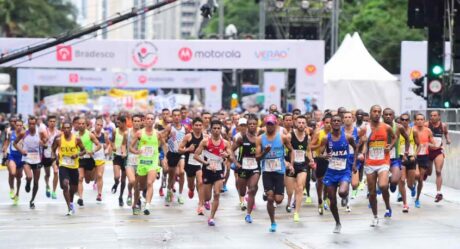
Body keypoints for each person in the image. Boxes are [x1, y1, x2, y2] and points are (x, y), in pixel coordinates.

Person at [256, 114, 294, 232]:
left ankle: (272, 194)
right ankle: (273, 222)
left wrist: (291, 164)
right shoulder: (260, 139)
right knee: (270, 197)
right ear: (265, 125)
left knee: (278, 199)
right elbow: (257, 158)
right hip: (267, 172)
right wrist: (264, 152)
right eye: (268, 124)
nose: (270, 126)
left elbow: (292, 151)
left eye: (272, 124)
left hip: (279, 171)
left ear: (276, 124)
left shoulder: (282, 137)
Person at [320, 115, 357, 233]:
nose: (336, 122)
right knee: (332, 200)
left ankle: (345, 194)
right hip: (331, 172)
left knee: (341, 192)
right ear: (330, 123)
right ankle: (337, 222)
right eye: (334, 121)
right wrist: (324, 156)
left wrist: (354, 164)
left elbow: (356, 149)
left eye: (338, 121)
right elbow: (320, 153)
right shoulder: (326, 138)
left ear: (341, 123)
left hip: (344, 171)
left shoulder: (347, 137)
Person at [194, 119, 234, 226]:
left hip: (219, 171)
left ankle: (211, 217)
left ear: (221, 130)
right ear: (211, 129)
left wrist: (227, 156)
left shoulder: (225, 143)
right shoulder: (205, 142)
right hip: (207, 171)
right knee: (208, 197)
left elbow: (231, 157)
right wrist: (206, 163)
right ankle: (205, 201)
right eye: (214, 128)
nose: (216, 130)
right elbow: (196, 155)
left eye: (218, 128)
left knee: (216, 194)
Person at [362, 105, 396, 226]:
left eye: (379, 112)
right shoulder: (365, 128)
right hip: (370, 163)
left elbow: (394, 137)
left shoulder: (386, 127)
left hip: (383, 162)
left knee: (382, 185)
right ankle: (375, 216)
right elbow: (359, 144)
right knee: (372, 193)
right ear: (370, 113)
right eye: (374, 111)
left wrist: (390, 146)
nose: (377, 113)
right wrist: (362, 144)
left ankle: (387, 206)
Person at [129, 113, 167, 215]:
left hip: (153, 162)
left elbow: (164, 145)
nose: (150, 120)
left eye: (151, 119)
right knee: (140, 186)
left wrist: (164, 158)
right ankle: (136, 202)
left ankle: (147, 206)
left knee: (150, 183)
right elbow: (131, 147)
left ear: (154, 121)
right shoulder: (139, 133)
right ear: (144, 121)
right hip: (142, 163)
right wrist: (136, 152)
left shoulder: (158, 134)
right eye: (148, 119)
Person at [52, 121, 86, 215]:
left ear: (71, 129)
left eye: (68, 128)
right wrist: (56, 158)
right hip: (63, 165)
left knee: (73, 189)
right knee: (65, 184)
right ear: (62, 129)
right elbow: (53, 149)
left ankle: (71, 202)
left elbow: (84, 150)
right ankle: (69, 207)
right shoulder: (58, 139)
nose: (66, 130)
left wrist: (77, 154)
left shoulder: (77, 139)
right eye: (64, 128)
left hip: (74, 166)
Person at [285, 115, 314, 222]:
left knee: (300, 187)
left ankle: (296, 212)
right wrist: (286, 162)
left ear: (306, 124)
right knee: (289, 191)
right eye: (299, 122)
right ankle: (289, 201)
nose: (301, 125)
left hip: (302, 165)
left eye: (303, 123)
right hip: (291, 165)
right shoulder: (289, 136)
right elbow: (284, 150)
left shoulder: (308, 137)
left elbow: (308, 150)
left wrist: (311, 160)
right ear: (295, 123)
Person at [232, 114, 260, 223]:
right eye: (250, 124)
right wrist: (235, 163)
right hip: (243, 167)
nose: (252, 126)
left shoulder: (259, 138)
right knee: (242, 191)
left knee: (252, 189)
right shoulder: (241, 139)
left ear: (257, 125)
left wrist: (265, 152)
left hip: (255, 168)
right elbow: (230, 150)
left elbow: (261, 154)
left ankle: (248, 214)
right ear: (247, 126)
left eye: (254, 124)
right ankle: (243, 197)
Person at [14, 116, 46, 209]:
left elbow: (46, 143)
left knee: (36, 183)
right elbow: (15, 144)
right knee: (29, 176)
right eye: (30, 124)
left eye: (33, 124)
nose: (32, 125)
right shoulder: (24, 133)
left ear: (36, 124)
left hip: (37, 159)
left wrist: (43, 144)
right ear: (27, 124)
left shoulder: (40, 133)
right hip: (26, 159)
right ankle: (28, 182)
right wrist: (21, 151)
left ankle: (32, 200)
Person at [179, 117, 205, 215]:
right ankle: (191, 188)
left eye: (200, 125)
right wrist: (188, 149)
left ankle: (200, 205)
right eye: (196, 125)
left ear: (202, 126)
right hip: (189, 164)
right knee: (191, 184)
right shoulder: (188, 137)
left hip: (200, 163)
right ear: (192, 126)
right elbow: (179, 149)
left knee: (201, 182)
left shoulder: (205, 137)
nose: (198, 127)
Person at [163, 109, 187, 205]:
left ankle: (180, 195)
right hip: (172, 153)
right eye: (175, 115)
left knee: (181, 172)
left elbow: (188, 138)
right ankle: (169, 191)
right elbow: (163, 138)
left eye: (178, 115)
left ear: (181, 117)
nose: (176, 117)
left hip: (181, 153)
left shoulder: (185, 127)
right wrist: (167, 143)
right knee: (171, 175)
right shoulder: (169, 127)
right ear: (172, 117)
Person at [426, 110, 451, 202]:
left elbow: (446, 133)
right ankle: (425, 174)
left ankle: (439, 193)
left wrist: (448, 140)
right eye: (431, 115)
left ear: (439, 117)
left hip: (438, 151)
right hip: (428, 151)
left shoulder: (443, 125)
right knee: (428, 172)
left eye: (434, 115)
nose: (432, 117)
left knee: (438, 171)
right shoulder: (426, 125)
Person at [76, 117, 101, 207]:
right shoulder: (75, 136)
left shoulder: (90, 135)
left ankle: (93, 180)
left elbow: (99, 145)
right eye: (80, 124)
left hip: (89, 159)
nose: (81, 125)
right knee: (80, 178)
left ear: (86, 125)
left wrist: (93, 151)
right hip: (80, 159)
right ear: (77, 125)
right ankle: (80, 198)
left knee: (88, 180)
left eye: (83, 124)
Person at [414, 113, 438, 208]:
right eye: (418, 119)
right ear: (415, 121)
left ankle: (417, 199)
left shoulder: (428, 130)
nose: (420, 121)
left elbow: (434, 144)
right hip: (414, 156)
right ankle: (410, 187)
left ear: (424, 121)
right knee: (414, 176)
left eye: (421, 119)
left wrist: (428, 144)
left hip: (424, 156)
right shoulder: (412, 130)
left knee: (420, 179)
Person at [310, 114, 332, 215]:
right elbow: (310, 147)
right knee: (320, 181)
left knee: (328, 182)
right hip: (321, 159)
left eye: (330, 122)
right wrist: (320, 144)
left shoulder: (337, 133)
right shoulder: (319, 133)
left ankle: (326, 197)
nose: (329, 125)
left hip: (333, 160)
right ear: (323, 123)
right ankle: (319, 200)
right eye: (326, 123)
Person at [398, 113, 418, 213]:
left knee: (409, 184)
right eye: (403, 119)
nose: (404, 121)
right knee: (401, 181)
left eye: (406, 120)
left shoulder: (413, 131)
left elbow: (419, 145)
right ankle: (405, 204)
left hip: (411, 158)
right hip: (400, 157)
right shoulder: (397, 131)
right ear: (400, 120)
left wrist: (415, 155)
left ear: (409, 121)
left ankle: (412, 187)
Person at [92, 116, 111, 202]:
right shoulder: (90, 134)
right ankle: (93, 182)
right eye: (97, 125)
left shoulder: (104, 135)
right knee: (89, 179)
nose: (99, 126)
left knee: (100, 175)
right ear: (94, 125)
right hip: (91, 158)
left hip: (101, 158)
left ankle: (99, 194)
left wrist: (106, 149)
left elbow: (108, 144)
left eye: (100, 125)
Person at [111, 115, 128, 207]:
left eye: (119, 123)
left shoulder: (128, 132)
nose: (117, 124)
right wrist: (113, 146)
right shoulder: (115, 131)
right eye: (116, 123)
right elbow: (112, 141)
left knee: (124, 179)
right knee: (117, 177)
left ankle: (121, 196)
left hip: (125, 157)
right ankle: (116, 183)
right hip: (117, 156)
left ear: (124, 122)